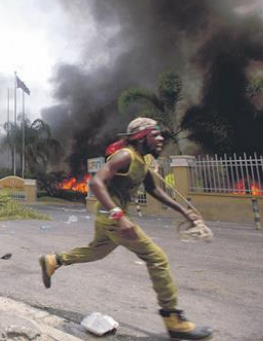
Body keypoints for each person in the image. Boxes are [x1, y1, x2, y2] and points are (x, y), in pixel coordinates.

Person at [38, 118, 212, 340]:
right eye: (155, 134)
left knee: (97, 251)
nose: (161, 139)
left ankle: (54, 260)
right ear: (141, 137)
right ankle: (173, 319)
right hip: (112, 216)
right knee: (157, 258)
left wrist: (184, 212)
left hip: (108, 216)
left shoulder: (143, 160)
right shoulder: (125, 156)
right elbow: (96, 183)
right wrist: (119, 216)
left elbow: (154, 190)